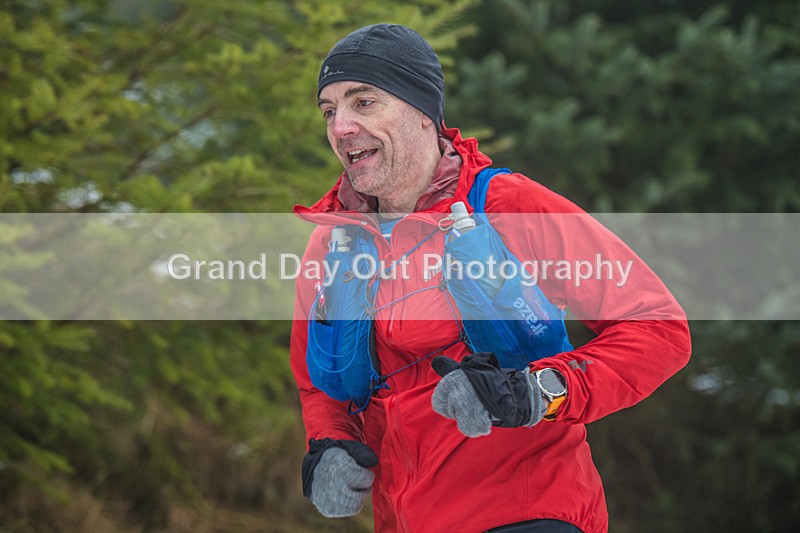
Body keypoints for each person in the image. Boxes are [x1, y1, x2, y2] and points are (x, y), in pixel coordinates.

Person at [290, 24, 691, 533]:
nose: (341, 126)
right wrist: (329, 444)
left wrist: (539, 390)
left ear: (422, 111)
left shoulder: (510, 207)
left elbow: (658, 328)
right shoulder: (333, 244)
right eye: (329, 111)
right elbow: (318, 382)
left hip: (529, 512)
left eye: (363, 102)